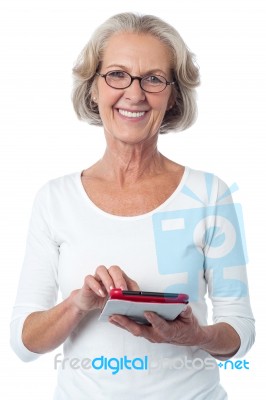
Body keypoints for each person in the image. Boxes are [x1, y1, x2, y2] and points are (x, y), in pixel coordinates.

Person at [10, 12, 255, 400]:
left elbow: (240, 332)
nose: (135, 93)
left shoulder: (208, 194)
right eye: (117, 75)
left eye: (154, 79)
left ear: (173, 95)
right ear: (93, 88)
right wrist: (79, 303)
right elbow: (24, 344)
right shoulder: (55, 199)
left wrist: (194, 335)